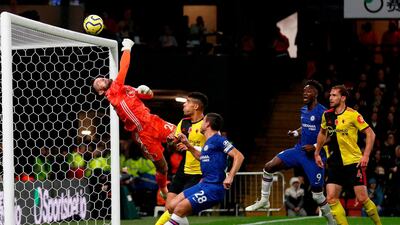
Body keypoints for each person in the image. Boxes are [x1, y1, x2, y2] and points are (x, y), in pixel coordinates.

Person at [92, 38, 176, 196]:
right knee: (162, 167)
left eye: (100, 77)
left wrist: (146, 91)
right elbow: (123, 69)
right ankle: (164, 189)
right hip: (143, 134)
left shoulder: (125, 88)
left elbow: (148, 97)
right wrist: (127, 48)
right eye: (98, 83)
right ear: (101, 92)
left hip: (154, 121)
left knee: (180, 135)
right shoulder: (112, 93)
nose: (101, 79)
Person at [245, 80, 336, 225]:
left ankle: (332, 221)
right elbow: (305, 127)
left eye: (309, 91)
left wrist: (314, 146)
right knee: (268, 167)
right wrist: (295, 132)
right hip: (298, 150)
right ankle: (264, 200)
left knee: (317, 195)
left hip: (314, 156)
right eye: (304, 91)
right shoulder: (303, 110)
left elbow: (331, 136)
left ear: (316, 93)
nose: (305, 93)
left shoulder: (324, 112)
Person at [314, 84, 382, 225]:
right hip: (334, 162)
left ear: (343, 98)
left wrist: (366, 156)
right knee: (331, 198)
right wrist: (317, 153)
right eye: (330, 95)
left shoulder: (353, 114)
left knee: (362, 198)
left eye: (334, 95)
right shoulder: (327, 115)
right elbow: (322, 133)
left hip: (353, 162)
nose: (330, 98)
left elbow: (370, 134)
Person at [164, 113, 244, 225]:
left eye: (203, 121)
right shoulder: (208, 142)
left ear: (207, 124)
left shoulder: (218, 140)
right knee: (172, 206)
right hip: (203, 184)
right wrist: (188, 144)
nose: (200, 124)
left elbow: (239, 156)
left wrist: (230, 176)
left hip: (213, 188)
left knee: (180, 209)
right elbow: (201, 157)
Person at [155, 92, 208, 225]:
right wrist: (171, 143)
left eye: (187, 101)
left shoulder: (207, 124)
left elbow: (212, 149)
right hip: (183, 169)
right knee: (170, 207)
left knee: (177, 208)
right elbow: (172, 147)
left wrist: (190, 147)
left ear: (195, 106)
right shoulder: (183, 122)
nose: (184, 104)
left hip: (199, 173)